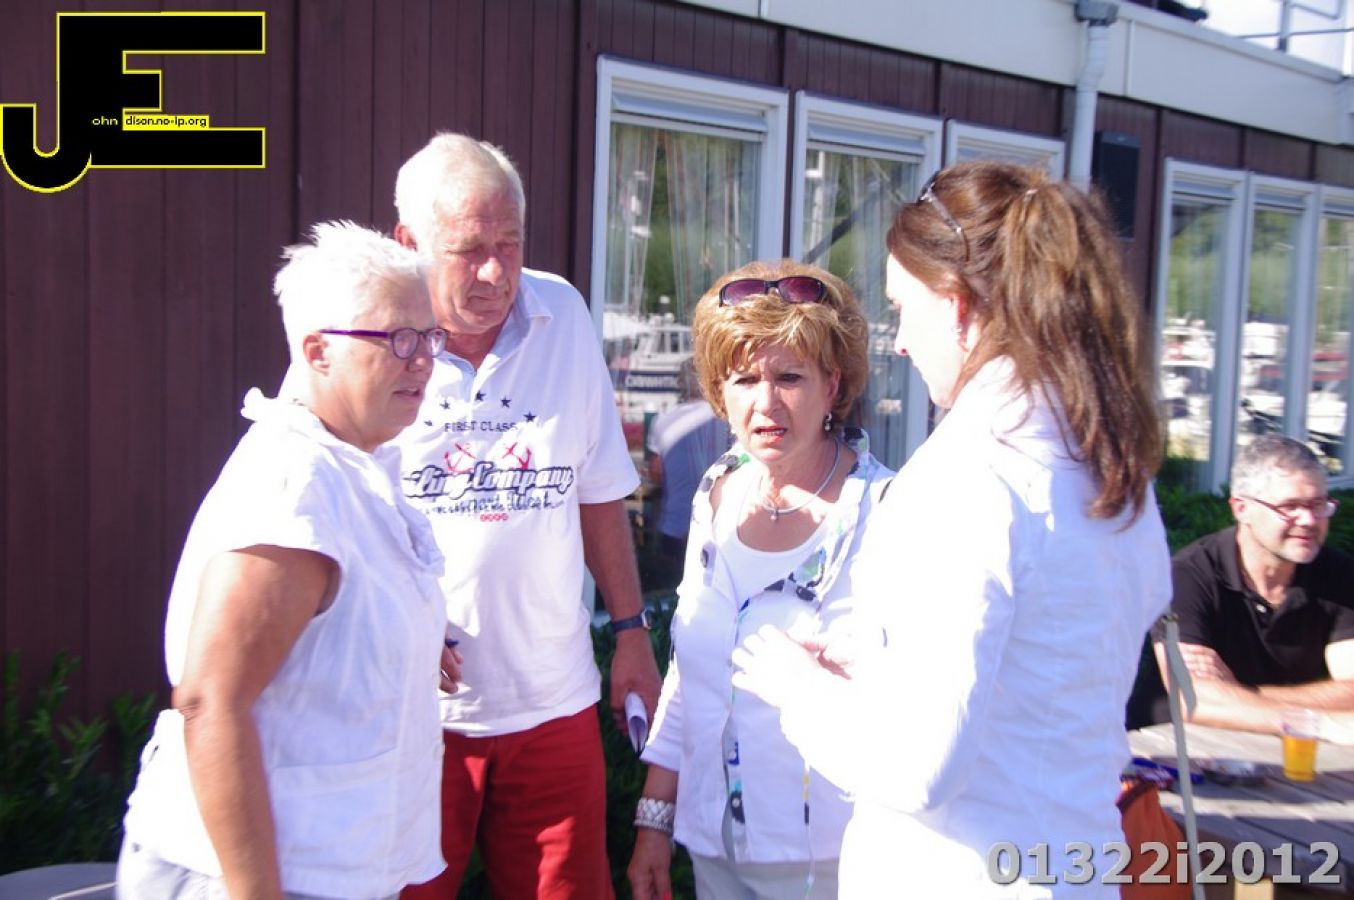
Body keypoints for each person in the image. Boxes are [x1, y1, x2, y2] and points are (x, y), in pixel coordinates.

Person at [731, 163, 1172, 898]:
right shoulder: (1109, 462)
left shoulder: (968, 477)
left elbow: (916, 768)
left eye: (903, 308)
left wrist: (796, 687)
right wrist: (880, 662)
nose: (901, 341)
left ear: (958, 306)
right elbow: (1051, 667)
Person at [117, 221, 455, 900]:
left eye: (430, 337)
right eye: (399, 339)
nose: (424, 361)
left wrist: (408, 644)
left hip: (328, 867)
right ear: (317, 350)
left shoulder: (351, 463)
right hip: (255, 877)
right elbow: (210, 701)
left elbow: (330, 627)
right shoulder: (295, 483)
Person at [390, 133, 662, 899]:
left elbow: (598, 489)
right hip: (416, 714)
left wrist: (632, 632)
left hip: (553, 701)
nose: (495, 272)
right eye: (469, 250)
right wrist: (398, 617)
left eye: (509, 244)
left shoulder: (561, 313)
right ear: (409, 243)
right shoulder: (369, 338)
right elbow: (332, 511)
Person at [627, 260, 893, 900]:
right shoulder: (717, 492)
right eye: (744, 379)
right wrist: (655, 820)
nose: (765, 402)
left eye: (789, 377)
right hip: (712, 846)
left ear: (833, 384)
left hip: (833, 862)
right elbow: (691, 668)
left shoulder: (885, 513)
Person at [1152, 434, 1354, 735]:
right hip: (1183, 750)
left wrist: (1243, 694)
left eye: (1318, 504)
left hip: (1295, 752)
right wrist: (1321, 723)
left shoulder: (1340, 575)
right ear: (1241, 509)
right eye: (1290, 506)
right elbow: (1192, 700)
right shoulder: (1188, 576)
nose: (1309, 520)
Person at [645, 356, 732, 570]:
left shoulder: (662, 420)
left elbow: (657, 473)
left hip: (675, 526)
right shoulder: (728, 419)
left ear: (681, 384)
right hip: (720, 527)